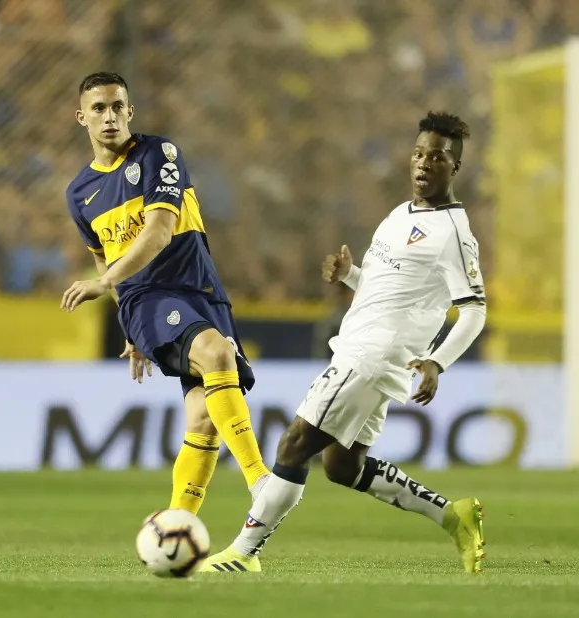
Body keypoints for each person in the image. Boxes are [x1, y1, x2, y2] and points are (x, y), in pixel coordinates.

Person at [202, 112, 487, 574]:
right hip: (366, 351)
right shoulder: (401, 213)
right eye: (418, 153)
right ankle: (453, 515)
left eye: (438, 157)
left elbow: (475, 310)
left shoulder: (454, 233)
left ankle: (242, 553)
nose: (423, 164)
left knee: (294, 444)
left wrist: (437, 362)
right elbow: (389, 285)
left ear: (455, 167)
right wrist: (350, 276)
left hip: (372, 356)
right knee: (342, 466)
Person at [60, 72, 270, 514]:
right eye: (99, 109)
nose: (110, 116)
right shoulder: (79, 194)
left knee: (205, 417)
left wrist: (104, 282)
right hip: (146, 296)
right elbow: (103, 258)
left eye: (118, 106)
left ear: (130, 111)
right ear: (82, 117)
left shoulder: (159, 153)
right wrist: (124, 314)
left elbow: (158, 233)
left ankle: (177, 524)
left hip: (202, 289)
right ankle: (263, 483)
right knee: (215, 353)